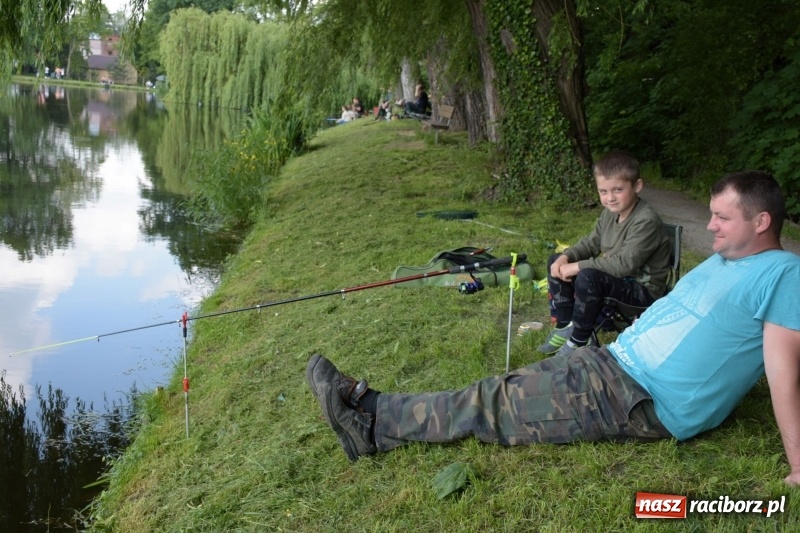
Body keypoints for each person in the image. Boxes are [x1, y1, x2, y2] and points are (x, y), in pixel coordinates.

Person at [306, 170, 800, 486]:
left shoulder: (783, 275)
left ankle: (369, 417)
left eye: (721, 217)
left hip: (638, 399)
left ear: (760, 221)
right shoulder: (724, 260)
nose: (709, 226)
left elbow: (784, 373)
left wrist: (798, 467)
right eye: (710, 215)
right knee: (500, 389)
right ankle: (376, 421)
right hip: (613, 364)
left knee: (494, 403)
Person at [536, 151, 670, 357]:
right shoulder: (610, 213)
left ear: (637, 186)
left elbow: (624, 265)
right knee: (556, 260)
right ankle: (565, 326)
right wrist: (566, 257)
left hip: (642, 291)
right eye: (603, 191)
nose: (610, 198)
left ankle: (581, 340)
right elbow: (590, 243)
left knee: (589, 275)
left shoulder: (646, 220)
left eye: (618, 190)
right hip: (617, 280)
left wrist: (578, 266)